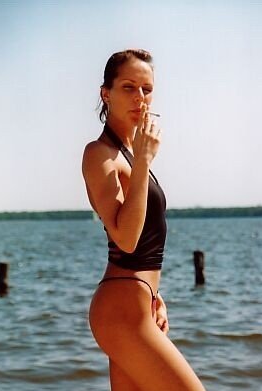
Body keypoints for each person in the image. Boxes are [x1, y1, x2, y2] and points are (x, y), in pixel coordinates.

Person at [82, 49, 206, 391]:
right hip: (120, 312)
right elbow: (126, 238)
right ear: (105, 93)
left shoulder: (128, 153)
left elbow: (145, 240)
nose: (140, 97)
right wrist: (144, 162)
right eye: (128, 87)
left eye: (146, 89)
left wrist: (155, 293)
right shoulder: (99, 154)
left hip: (138, 305)